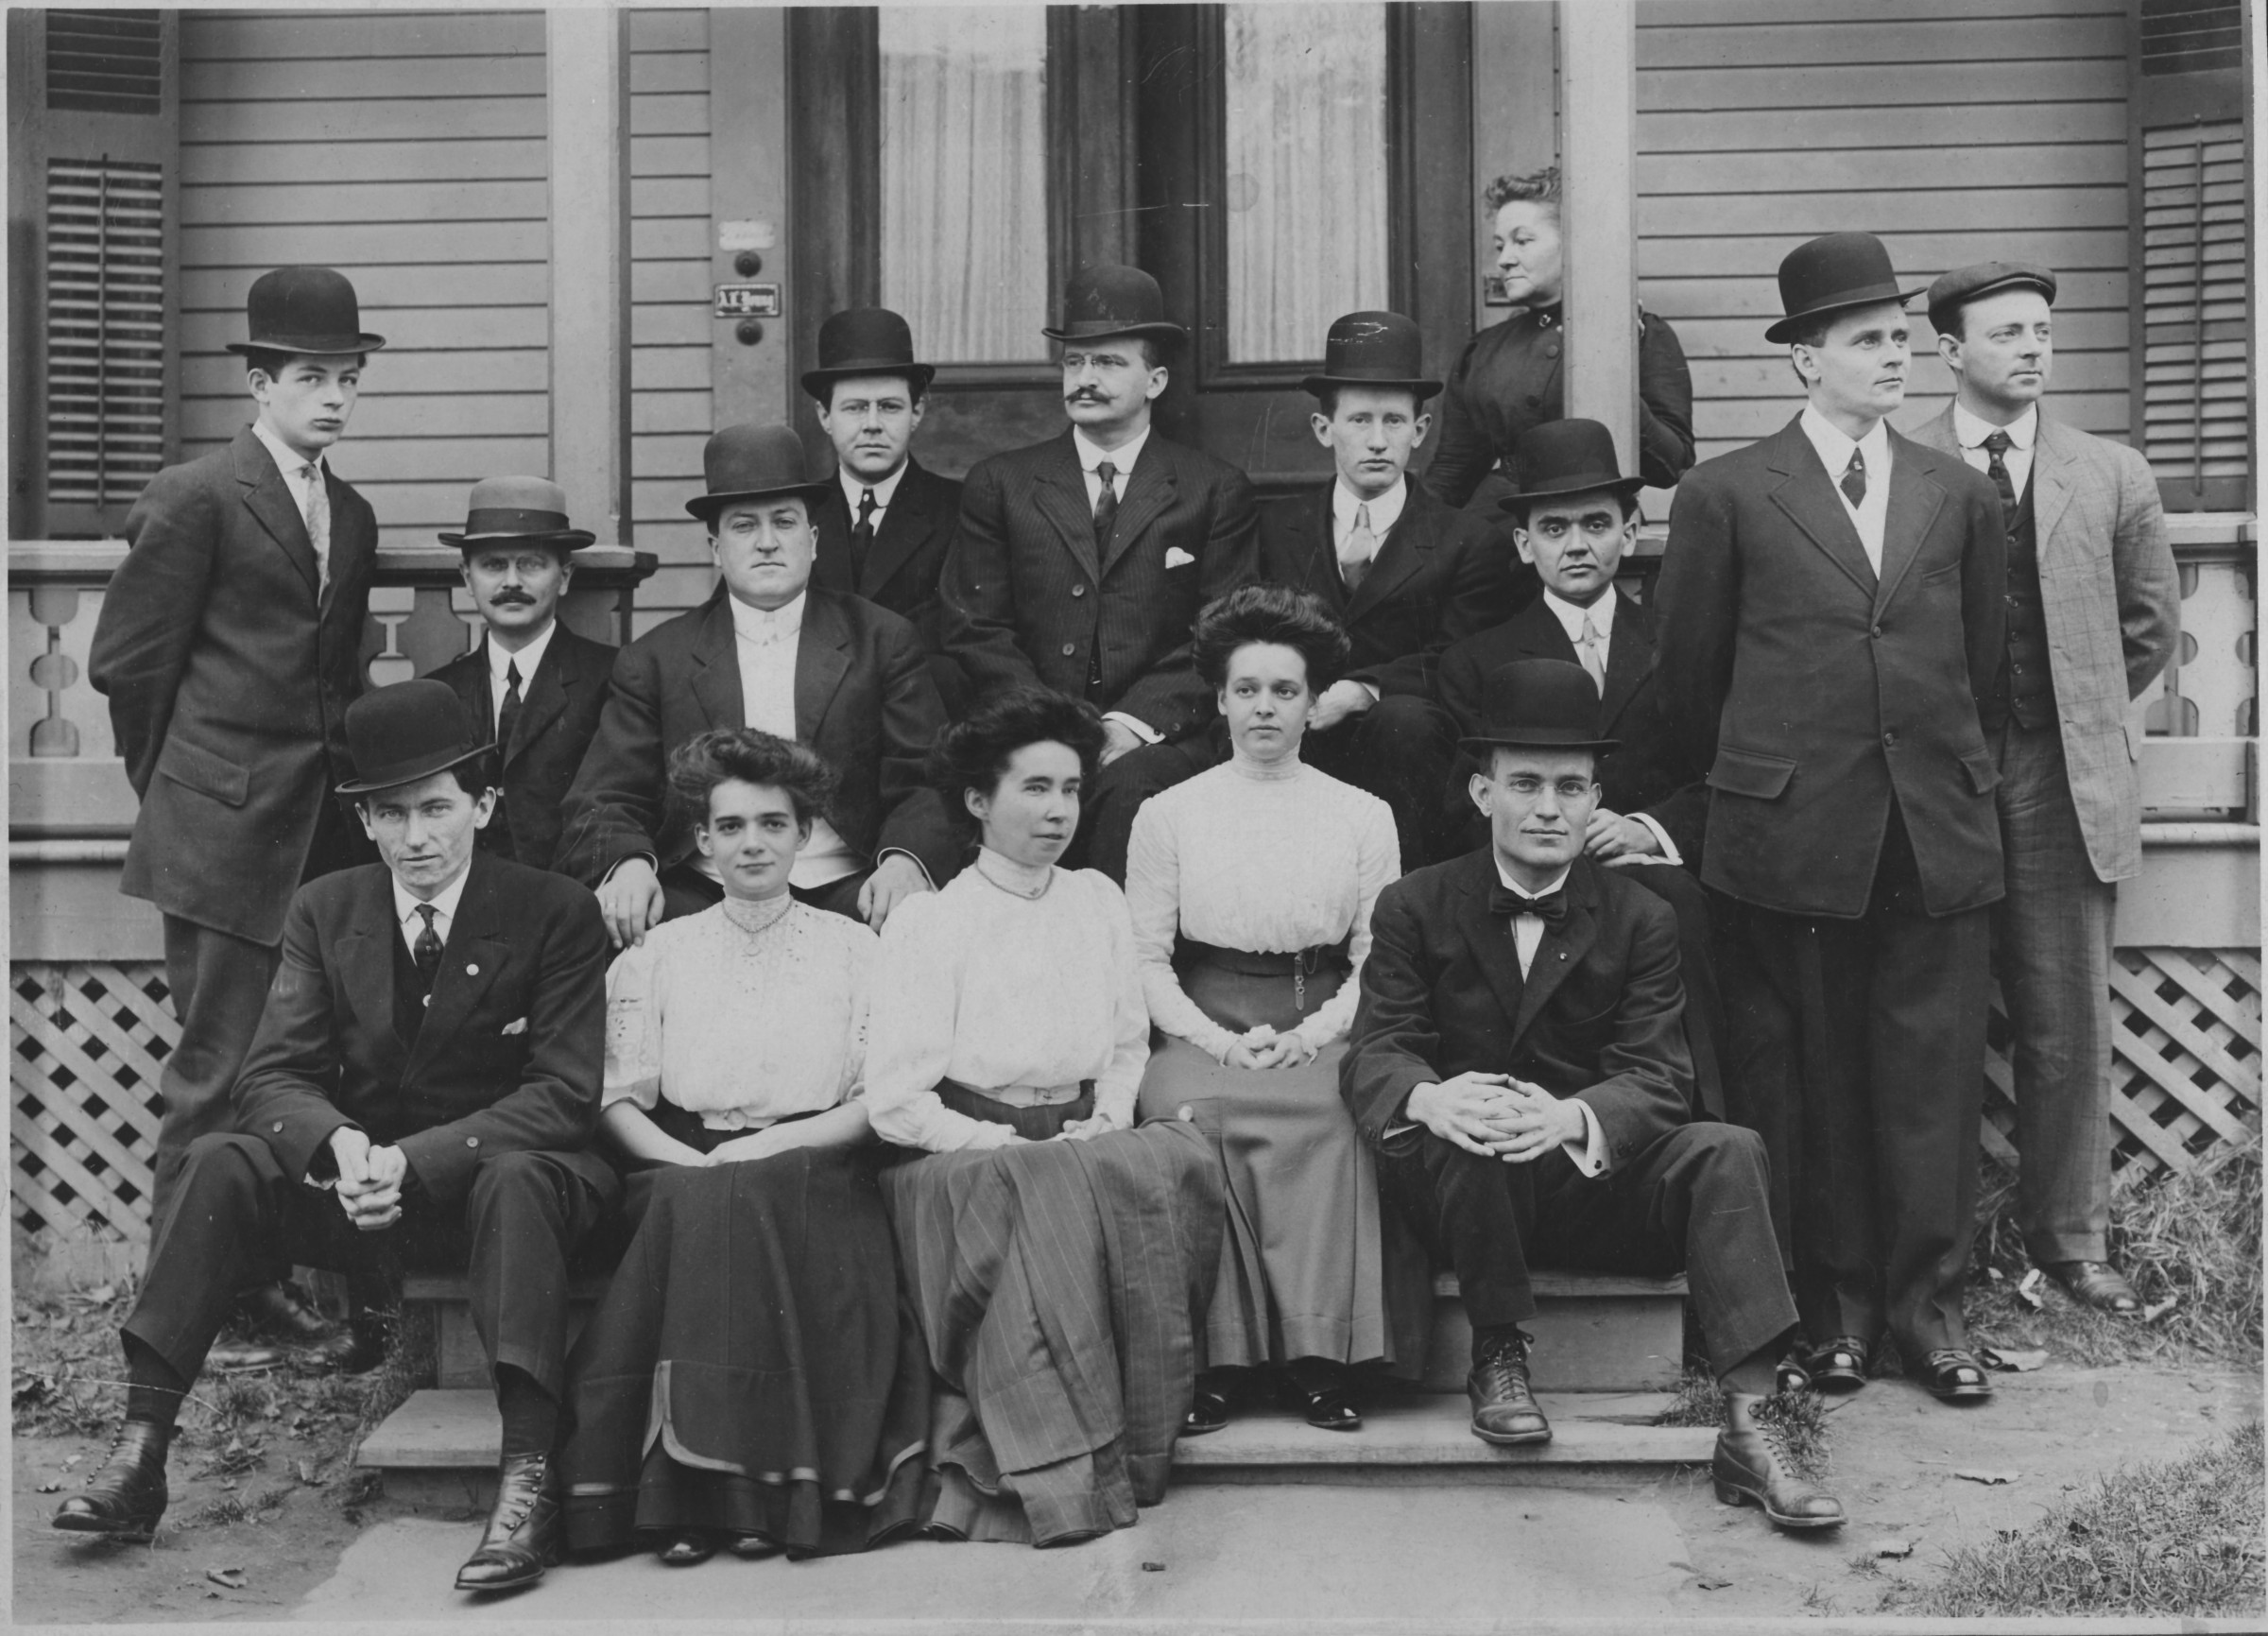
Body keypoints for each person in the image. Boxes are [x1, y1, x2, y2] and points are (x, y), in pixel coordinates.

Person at [53, 681, 620, 1594]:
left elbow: (563, 1095)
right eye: (391, 814)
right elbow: (271, 1076)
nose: (416, 836)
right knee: (220, 1158)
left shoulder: (553, 909)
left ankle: (528, 1482)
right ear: (364, 821)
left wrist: (415, 1160)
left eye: (436, 808)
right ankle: (140, 1450)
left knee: (518, 1177)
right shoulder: (326, 907)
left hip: (506, 1198)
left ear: (483, 806)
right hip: (369, 1198)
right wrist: (343, 1146)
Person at [1341, 659, 1844, 1534]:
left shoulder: (1642, 915)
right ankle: (1499, 1355)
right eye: (1525, 784)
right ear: (1481, 792)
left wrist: (1570, 1116)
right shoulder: (1415, 905)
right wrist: (1431, 1099)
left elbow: (1661, 1076)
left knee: (1728, 1147)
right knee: (1475, 1118)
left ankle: (1753, 1424)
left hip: (1588, 1183)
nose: (1548, 807)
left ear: (1596, 799)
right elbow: (1376, 1049)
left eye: (1570, 787)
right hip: (1466, 1194)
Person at [1652, 232, 2008, 1404]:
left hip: (1932, 830)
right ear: (1806, 358)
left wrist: (1938, 775)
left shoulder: (1960, 493)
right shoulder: (1726, 494)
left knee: (1931, 1079)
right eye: (1866, 340)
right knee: (1817, 1082)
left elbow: (1985, 668)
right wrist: (1759, 790)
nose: (1895, 357)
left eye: (1900, 338)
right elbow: (1692, 682)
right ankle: (1837, 1316)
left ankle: (1930, 1315)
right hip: (1792, 837)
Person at [88, 264, 386, 1361]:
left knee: (293, 1069)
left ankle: (260, 1288)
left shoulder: (349, 513)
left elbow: (334, 681)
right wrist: (182, 796)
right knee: (213, 1075)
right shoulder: (198, 494)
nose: (334, 397)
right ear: (259, 383)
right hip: (218, 836)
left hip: (320, 838)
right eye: (311, 377)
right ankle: (175, 1321)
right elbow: (129, 667)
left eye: (347, 378)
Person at [863, 688, 1225, 1545]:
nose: (1059, 810)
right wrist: (997, 1140)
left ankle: (1136, 1438)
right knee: (1043, 1189)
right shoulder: (933, 920)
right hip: (960, 1156)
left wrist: (1107, 1116)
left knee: (1176, 1160)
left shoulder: (1098, 899)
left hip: (1080, 1135)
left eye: (1069, 788)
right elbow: (896, 1101)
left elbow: (1127, 1044)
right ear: (977, 801)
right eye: (1034, 788)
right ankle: (1063, 1472)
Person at [558, 729, 926, 1565]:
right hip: (680, 1164)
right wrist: (690, 1161)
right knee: (709, 1202)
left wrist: (774, 1147)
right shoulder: (659, 951)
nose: (752, 843)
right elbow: (616, 1095)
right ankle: (696, 1499)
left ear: (805, 833)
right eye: (730, 826)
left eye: (772, 823)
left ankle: (740, 1496)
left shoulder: (857, 948)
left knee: (744, 1198)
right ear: (702, 841)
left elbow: (876, 1099)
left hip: (819, 1166)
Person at [1912, 261, 2180, 1315]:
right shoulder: (1905, 464)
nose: (2033, 349)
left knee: (2066, 1019)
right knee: (1927, 1017)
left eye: (2041, 331)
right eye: (2007, 333)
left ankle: (2072, 1239)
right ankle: (1928, 1246)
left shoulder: (2111, 473)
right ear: (1950, 351)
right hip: (1936, 773)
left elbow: (2147, 629)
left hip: (2062, 772)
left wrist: (2072, 705)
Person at [1125, 587, 1400, 1434]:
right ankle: (1218, 1361)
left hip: (1325, 1013)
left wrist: (1313, 1035)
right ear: (1220, 699)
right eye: (1247, 689)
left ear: (1314, 703)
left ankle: (1319, 1356)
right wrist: (1213, 1040)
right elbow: (1144, 956)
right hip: (1201, 1016)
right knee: (1185, 1110)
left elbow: (1376, 955)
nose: (1265, 708)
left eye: (1286, 690)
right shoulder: (1168, 813)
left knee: (1335, 1113)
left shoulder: (1362, 814)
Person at [558, 422, 956, 941]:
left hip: (848, 886)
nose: (768, 543)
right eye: (744, 526)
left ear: (813, 540)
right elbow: (604, 795)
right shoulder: (657, 659)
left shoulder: (882, 640)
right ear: (716, 547)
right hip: (702, 892)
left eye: (784, 523)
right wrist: (630, 863)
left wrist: (905, 859)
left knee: (913, 928)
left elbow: (928, 778)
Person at [1436, 420, 1726, 1124]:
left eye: (1596, 523)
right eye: (1553, 527)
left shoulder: (1679, 647)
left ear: (1630, 531)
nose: (1576, 544)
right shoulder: (1479, 660)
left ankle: (1700, 1124)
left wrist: (1646, 828)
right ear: (1523, 544)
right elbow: (1463, 803)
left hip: (1649, 878)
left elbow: (1720, 771)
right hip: (1534, 883)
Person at [941, 265, 1260, 881]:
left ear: (1156, 380)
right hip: (1029, 717)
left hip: (1158, 730)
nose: (1085, 378)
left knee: (1130, 789)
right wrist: (1049, 724)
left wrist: (1129, 725)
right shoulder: (1002, 483)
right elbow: (973, 626)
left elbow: (1223, 632)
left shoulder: (1212, 488)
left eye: (1109, 363)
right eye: (1074, 362)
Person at [1257, 311, 1510, 869]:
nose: (1377, 441)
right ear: (1324, 429)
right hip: (1299, 727)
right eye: (1359, 420)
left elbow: (1461, 661)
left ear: (1419, 431)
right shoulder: (1277, 529)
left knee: (1405, 723)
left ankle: (1402, 902)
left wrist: (1363, 689)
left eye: (1394, 421)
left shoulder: (1465, 540)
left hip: (1406, 749)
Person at [1422, 167, 1695, 513]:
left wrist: (1613, 373)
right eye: (1500, 245)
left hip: (1594, 518)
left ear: (1573, 244)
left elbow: (1672, 466)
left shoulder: (1639, 333)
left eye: (1522, 241)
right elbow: (1452, 475)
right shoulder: (1482, 351)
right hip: (1504, 521)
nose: (1504, 260)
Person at [425, 476, 616, 872]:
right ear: (467, 578)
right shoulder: (437, 693)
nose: (512, 582)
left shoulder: (611, 677)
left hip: (574, 891)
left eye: (530, 563)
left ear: (564, 577)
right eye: (494, 565)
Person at [802, 307, 969, 715]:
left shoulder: (962, 509)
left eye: (890, 407)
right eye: (855, 407)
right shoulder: (797, 515)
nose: (873, 424)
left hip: (925, 714)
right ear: (825, 416)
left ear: (917, 412)